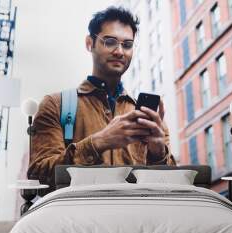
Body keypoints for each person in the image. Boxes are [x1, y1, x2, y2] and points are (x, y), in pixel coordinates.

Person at [27, 6, 176, 189]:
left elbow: (170, 187)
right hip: (77, 216)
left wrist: (158, 152)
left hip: (136, 216)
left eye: (127, 45)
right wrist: (98, 142)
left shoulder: (149, 117)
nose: (120, 51)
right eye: (110, 42)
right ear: (90, 43)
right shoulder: (55, 105)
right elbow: (38, 175)